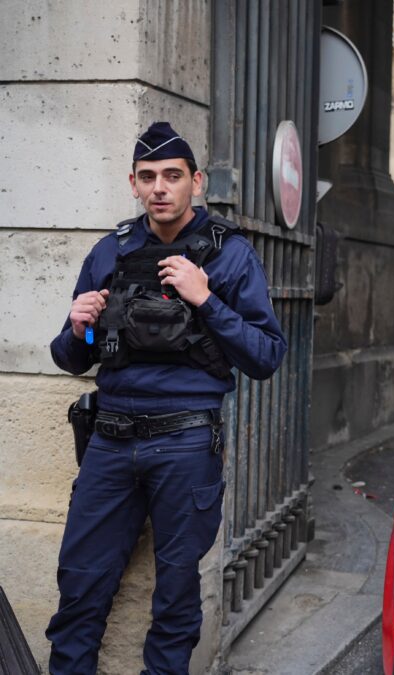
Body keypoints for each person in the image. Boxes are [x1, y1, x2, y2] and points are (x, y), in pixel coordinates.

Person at [46, 121, 287, 674]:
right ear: (133, 183)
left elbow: (267, 356)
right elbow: (70, 358)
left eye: (173, 176)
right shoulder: (109, 251)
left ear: (195, 182)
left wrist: (205, 299)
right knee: (79, 589)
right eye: (148, 176)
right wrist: (78, 329)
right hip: (109, 443)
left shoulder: (230, 255)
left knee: (176, 599)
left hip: (185, 444)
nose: (160, 188)